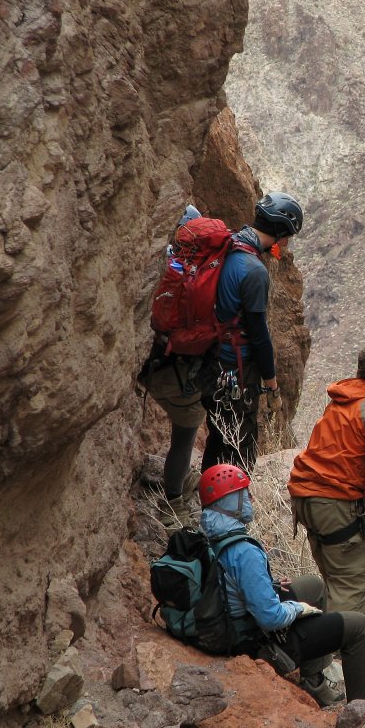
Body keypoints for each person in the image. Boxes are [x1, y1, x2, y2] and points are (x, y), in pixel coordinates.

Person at [198, 463, 365, 706]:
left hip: (227, 623)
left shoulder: (210, 534)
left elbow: (229, 583)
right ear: (230, 501)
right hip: (254, 643)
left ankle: (314, 683)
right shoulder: (244, 552)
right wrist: (299, 608)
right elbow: (271, 618)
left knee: (314, 586)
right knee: (360, 626)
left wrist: (270, 585)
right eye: (244, 494)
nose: (250, 498)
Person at [288, 342, 365, 614]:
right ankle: (335, 652)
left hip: (305, 498)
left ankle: (321, 645)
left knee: (334, 581)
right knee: (350, 587)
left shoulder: (341, 400)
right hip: (334, 505)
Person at [199, 191, 304, 472]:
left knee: (218, 436)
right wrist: (271, 383)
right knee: (240, 448)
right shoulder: (254, 270)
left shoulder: (229, 246)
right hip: (235, 369)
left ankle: (206, 501)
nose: (286, 242)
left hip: (210, 363)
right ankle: (231, 509)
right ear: (281, 232)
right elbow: (258, 335)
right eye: (288, 235)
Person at [139, 205, 206, 532]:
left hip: (144, 362)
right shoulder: (193, 271)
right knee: (184, 437)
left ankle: (176, 484)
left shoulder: (157, 260)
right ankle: (173, 503)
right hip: (175, 371)